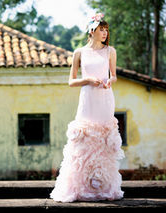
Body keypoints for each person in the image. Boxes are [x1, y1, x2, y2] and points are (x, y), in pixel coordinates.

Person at [50, 13, 125, 202]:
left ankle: (103, 188)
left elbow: (114, 75)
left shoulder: (110, 51)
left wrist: (110, 80)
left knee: (103, 140)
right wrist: (88, 80)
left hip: (105, 97)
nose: (105, 33)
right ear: (92, 31)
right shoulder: (79, 52)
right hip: (88, 97)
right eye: (102, 29)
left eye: (106, 30)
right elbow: (71, 81)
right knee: (84, 139)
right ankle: (79, 188)